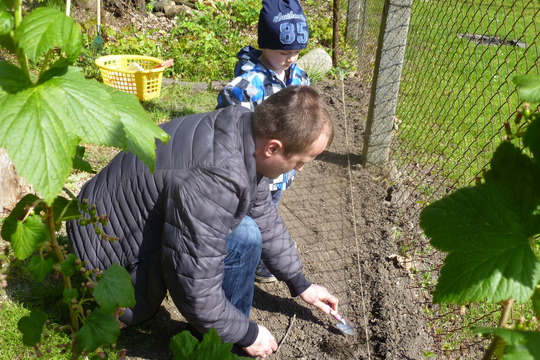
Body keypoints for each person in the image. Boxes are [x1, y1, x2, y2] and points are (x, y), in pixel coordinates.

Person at [67, 86, 338, 358]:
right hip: (106, 260)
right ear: (273, 148)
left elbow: (263, 214)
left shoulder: (243, 129)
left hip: (104, 221)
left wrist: (300, 283)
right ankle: (222, 347)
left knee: (247, 232)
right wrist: (247, 333)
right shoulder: (216, 179)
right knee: (243, 239)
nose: (300, 169)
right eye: (300, 161)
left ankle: (223, 335)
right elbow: (194, 282)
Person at [217, 0, 311, 283]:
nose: (291, 58)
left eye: (297, 51)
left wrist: (300, 154)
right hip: (254, 172)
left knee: (271, 208)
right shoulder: (246, 87)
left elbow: (304, 121)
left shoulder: (299, 77)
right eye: (284, 51)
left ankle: (260, 258)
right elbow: (230, 134)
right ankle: (239, 256)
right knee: (246, 218)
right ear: (265, 44)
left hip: (282, 172)